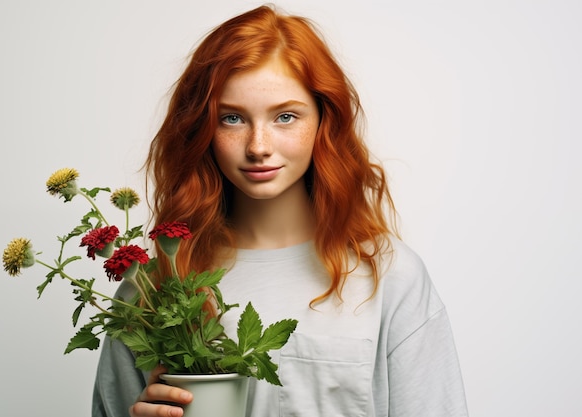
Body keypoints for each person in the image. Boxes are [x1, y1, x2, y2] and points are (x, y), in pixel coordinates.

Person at [92, 4, 468, 417]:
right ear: (202, 128)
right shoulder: (152, 289)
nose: (258, 146)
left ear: (325, 119)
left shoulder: (389, 277)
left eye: (285, 117)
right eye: (232, 118)